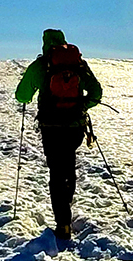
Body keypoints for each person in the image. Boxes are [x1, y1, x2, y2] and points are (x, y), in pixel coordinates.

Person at [15, 28, 103, 241]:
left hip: (51, 126)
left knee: (56, 171)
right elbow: (96, 93)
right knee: (69, 163)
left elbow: (22, 95)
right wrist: (81, 107)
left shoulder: (41, 66)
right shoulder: (78, 65)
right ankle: (67, 202)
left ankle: (63, 223)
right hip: (75, 126)